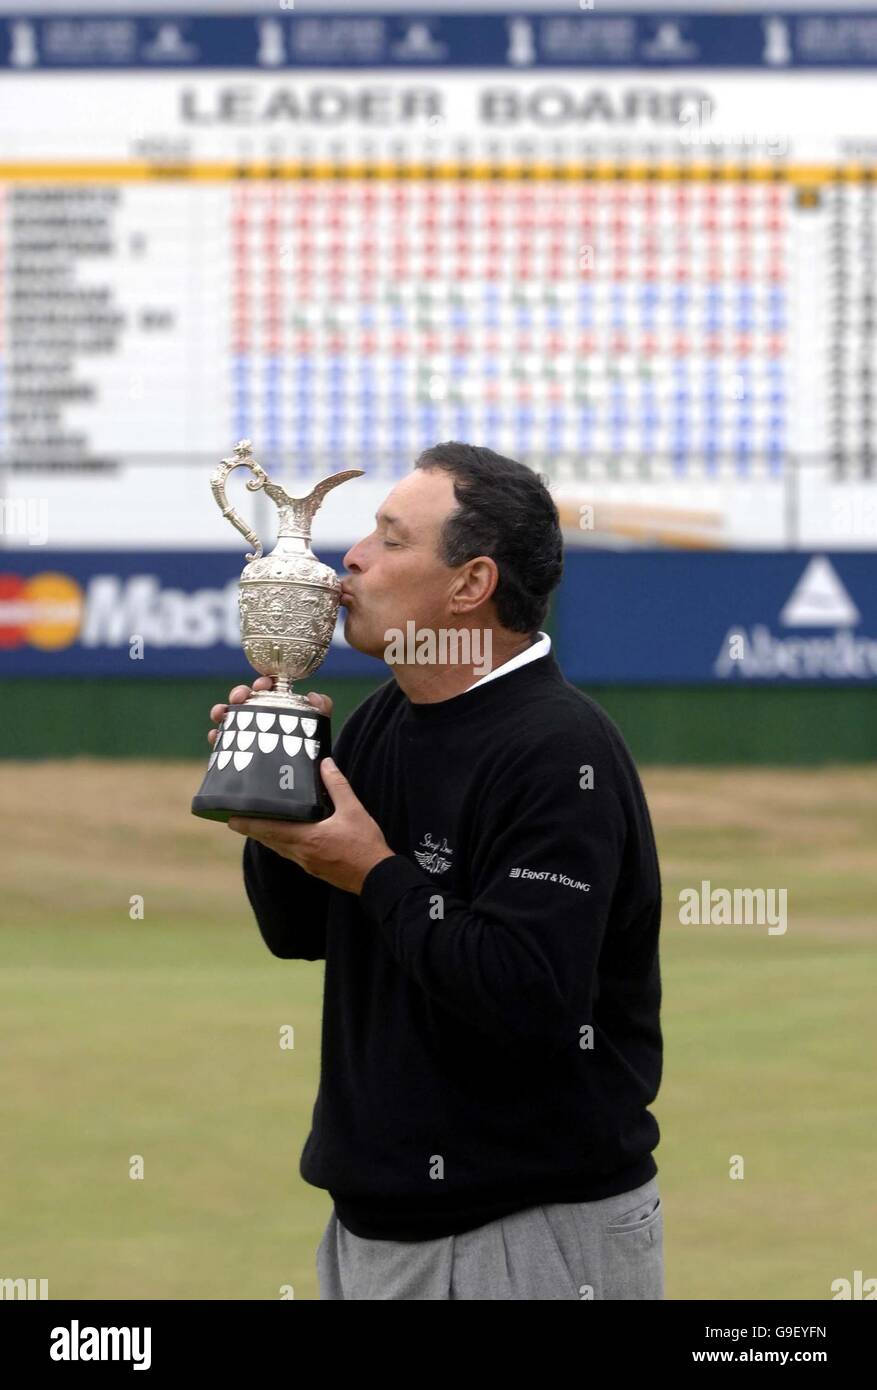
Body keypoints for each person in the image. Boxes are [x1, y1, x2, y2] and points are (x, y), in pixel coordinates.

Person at [208, 442, 664, 1300]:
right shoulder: (385, 720)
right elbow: (300, 932)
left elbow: (524, 994)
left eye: (390, 539)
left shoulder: (559, 751)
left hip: (526, 1234)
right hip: (372, 1229)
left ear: (469, 585)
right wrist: (281, 808)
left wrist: (373, 868)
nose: (353, 556)